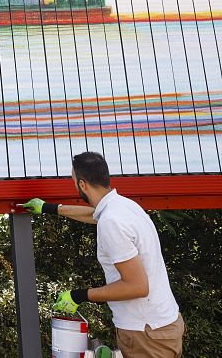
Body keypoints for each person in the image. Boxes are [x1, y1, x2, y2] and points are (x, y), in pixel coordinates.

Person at [23, 151, 185, 358]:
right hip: (164, 324)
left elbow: (138, 286)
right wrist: (50, 208)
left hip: (146, 333)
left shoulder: (111, 222)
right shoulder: (124, 206)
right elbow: (95, 214)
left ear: (82, 185)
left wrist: (79, 295)